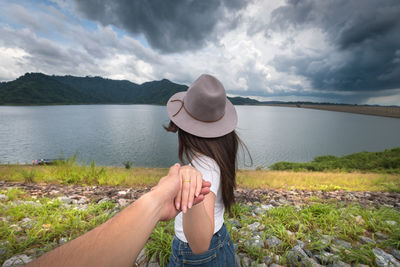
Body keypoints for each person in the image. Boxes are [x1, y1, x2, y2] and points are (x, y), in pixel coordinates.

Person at [27, 164, 211, 267]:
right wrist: (158, 199)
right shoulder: (215, 159)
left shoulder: (205, 166)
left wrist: (157, 199)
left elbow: (200, 245)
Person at [164, 74, 246, 266]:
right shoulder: (218, 153)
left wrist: (188, 185)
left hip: (198, 256)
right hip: (219, 240)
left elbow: (199, 244)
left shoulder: (202, 167)